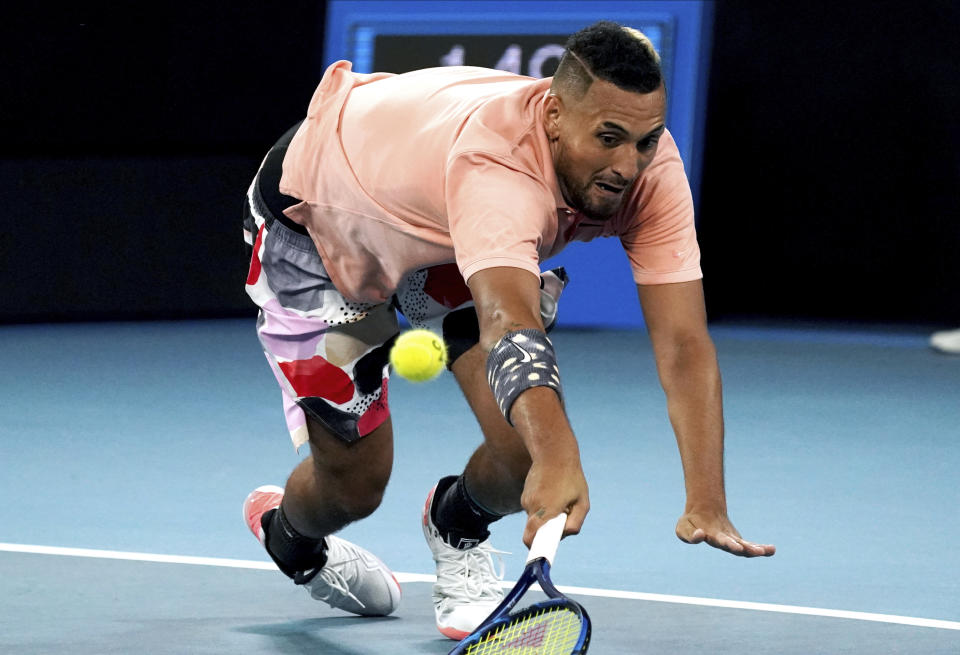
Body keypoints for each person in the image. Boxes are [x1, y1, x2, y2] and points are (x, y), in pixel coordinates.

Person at [240, 20, 776, 640]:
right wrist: (561, 454)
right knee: (356, 486)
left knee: (524, 448)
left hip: (438, 230)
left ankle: (456, 523)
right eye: (608, 138)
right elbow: (506, 320)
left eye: (645, 140)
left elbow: (684, 343)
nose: (628, 166)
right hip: (321, 234)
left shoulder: (652, 174)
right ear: (553, 116)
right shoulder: (498, 166)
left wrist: (705, 497)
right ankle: (290, 540)